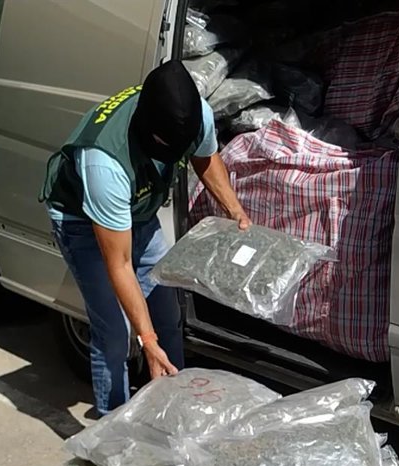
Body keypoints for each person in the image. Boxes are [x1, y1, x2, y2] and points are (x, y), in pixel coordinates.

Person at [39, 60, 252, 417]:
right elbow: (120, 264)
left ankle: (173, 412)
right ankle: (114, 428)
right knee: (115, 333)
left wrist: (235, 211)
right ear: (147, 131)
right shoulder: (104, 162)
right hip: (82, 222)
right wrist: (147, 342)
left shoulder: (192, 114)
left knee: (167, 313)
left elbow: (205, 157)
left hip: (138, 212)